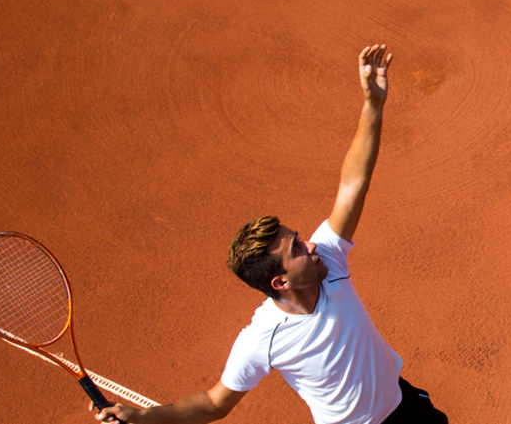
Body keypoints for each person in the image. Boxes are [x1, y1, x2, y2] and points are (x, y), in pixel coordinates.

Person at [92, 44, 447, 424]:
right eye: (296, 248)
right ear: (280, 281)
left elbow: (352, 185)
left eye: (299, 237)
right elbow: (215, 404)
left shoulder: (327, 258)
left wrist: (372, 106)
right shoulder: (265, 339)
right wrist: (144, 417)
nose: (311, 244)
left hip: (405, 408)